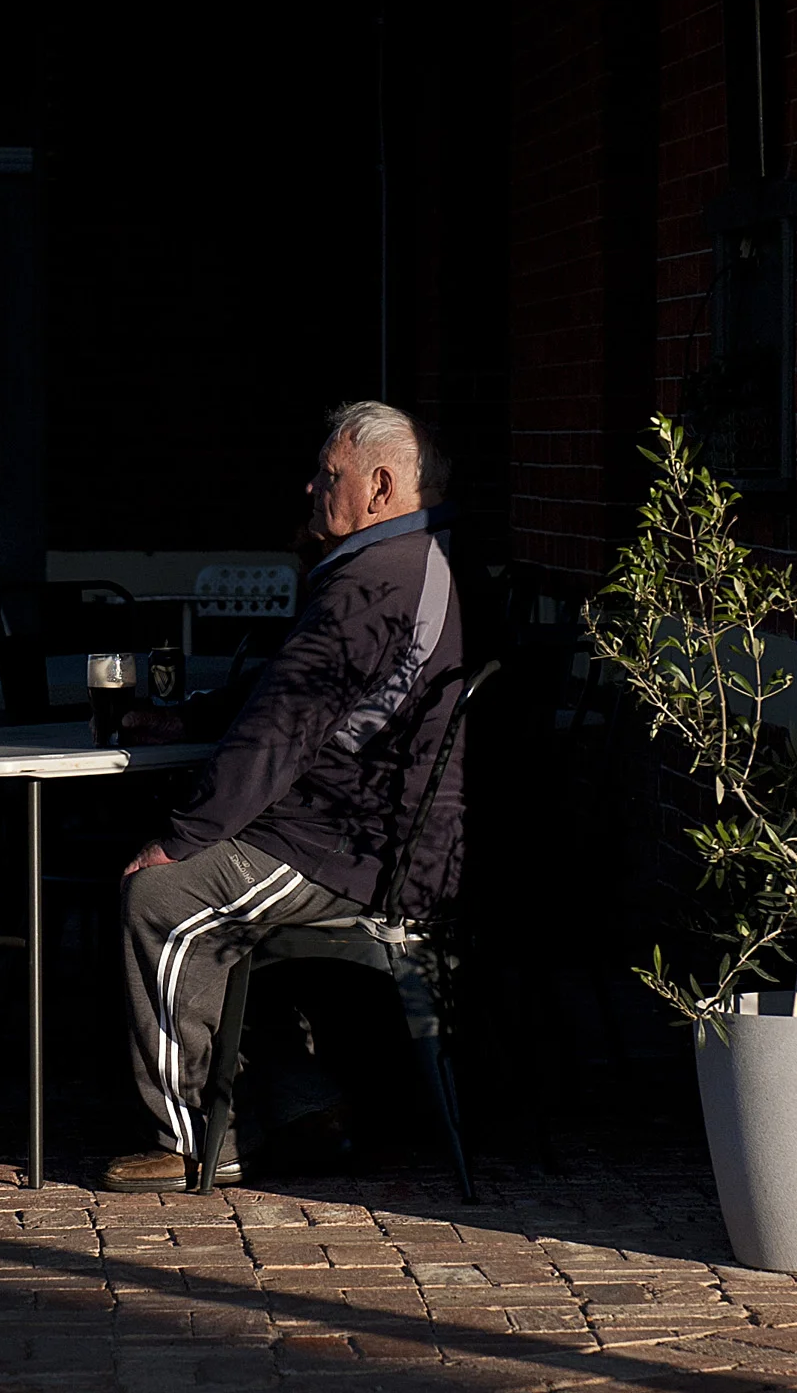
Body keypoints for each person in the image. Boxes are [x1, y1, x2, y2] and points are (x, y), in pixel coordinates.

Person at [105, 401, 467, 1193]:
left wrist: (182, 837)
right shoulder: (408, 563)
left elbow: (279, 735)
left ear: (380, 486)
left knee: (162, 897)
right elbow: (284, 699)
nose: (311, 487)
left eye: (329, 475)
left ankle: (194, 1139)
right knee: (210, 906)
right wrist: (190, 720)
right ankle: (304, 1104)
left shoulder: (373, 583)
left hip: (346, 848)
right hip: (363, 835)